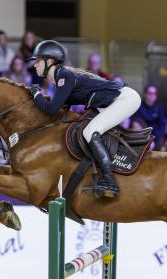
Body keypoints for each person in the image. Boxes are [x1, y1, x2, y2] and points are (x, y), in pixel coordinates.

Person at [27, 40, 140, 198]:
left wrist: (36, 94)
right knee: (87, 129)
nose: (34, 65)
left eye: (38, 61)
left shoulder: (64, 76)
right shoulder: (61, 78)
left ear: (49, 61)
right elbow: (59, 108)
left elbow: (51, 110)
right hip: (114, 101)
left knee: (90, 131)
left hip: (125, 99)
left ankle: (109, 182)